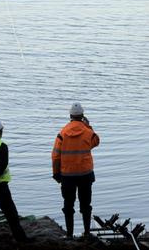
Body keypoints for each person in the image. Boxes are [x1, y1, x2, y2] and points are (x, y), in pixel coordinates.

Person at [52, 102, 100, 240]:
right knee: (86, 205)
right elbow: (96, 141)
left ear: (70, 116)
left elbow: (55, 155)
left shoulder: (62, 133)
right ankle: (86, 232)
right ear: (82, 116)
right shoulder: (88, 132)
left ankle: (69, 234)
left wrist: (56, 173)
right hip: (85, 175)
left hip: (67, 175)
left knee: (68, 205)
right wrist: (88, 126)